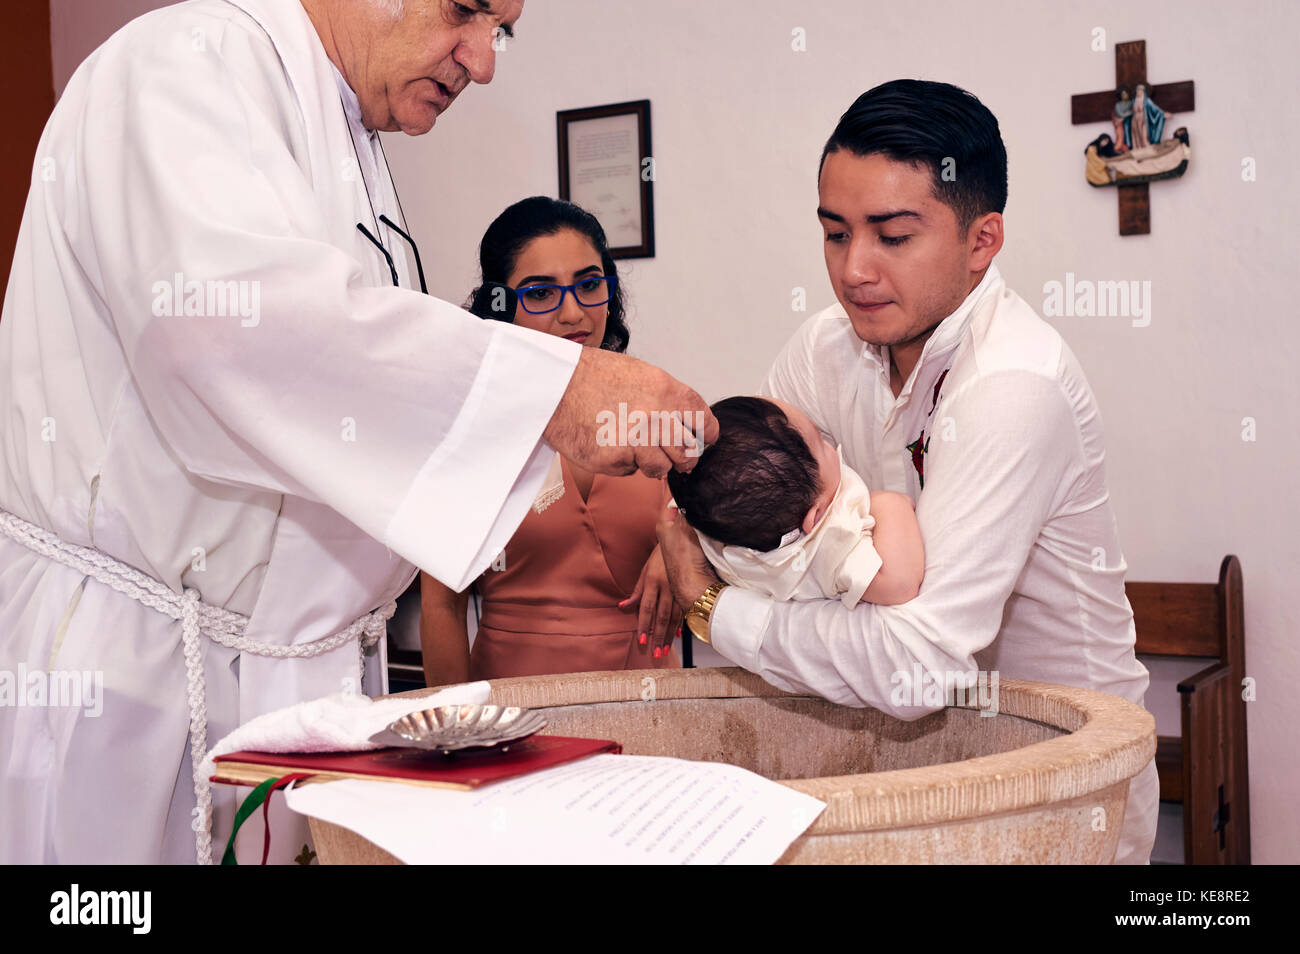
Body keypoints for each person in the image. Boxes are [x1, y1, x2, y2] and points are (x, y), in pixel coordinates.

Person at [0, 0, 715, 865]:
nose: (483, 63)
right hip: (136, 679)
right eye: (466, 10)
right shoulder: (187, 60)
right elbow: (224, 331)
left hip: (286, 676)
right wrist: (555, 393)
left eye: (504, 30)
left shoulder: (349, 133)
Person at [656, 79, 1159, 864]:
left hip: (1061, 771)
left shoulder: (1013, 385)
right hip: (907, 762)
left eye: (891, 236)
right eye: (834, 233)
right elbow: (749, 514)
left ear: (981, 241)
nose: (854, 269)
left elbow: (916, 666)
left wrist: (708, 608)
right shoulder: (826, 348)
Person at [421, 197, 682, 683]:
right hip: (513, 714)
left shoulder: (655, 407)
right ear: (499, 304)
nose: (572, 313)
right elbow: (441, 607)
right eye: (540, 293)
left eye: (588, 285)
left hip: (652, 707)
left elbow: (735, 533)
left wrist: (688, 546)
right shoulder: (470, 431)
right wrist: (456, 738)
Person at [666, 395, 924, 607]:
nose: (829, 443)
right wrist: (889, 504)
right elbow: (899, 584)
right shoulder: (829, 549)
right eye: (821, 444)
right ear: (816, 515)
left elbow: (692, 494)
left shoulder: (717, 524)